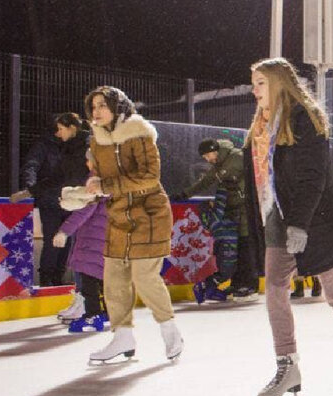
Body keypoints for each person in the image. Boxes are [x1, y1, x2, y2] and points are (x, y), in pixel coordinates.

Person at [244, 59, 333, 396]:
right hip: (276, 216)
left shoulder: (303, 119)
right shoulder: (260, 126)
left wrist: (300, 224)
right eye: (254, 83)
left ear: (278, 83)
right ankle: (287, 365)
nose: (254, 90)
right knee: (275, 289)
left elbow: (313, 176)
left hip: (314, 218)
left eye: (261, 82)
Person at [83, 87, 184, 364]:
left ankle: (169, 330)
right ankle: (123, 337)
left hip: (148, 213)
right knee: (114, 279)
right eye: (93, 107)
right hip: (118, 214)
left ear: (118, 107)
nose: (96, 112)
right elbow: (101, 179)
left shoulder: (138, 133)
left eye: (102, 105)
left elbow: (150, 177)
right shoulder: (97, 141)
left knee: (144, 277)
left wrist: (107, 186)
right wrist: (88, 190)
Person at [173, 137, 257, 303]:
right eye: (205, 158)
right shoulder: (219, 166)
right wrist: (184, 194)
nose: (208, 160)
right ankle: (238, 283)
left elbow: (254, 175)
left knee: (247, 246)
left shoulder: (237, 157)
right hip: (235, 211)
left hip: (247, 209)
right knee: (238, 248)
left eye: (208, 156)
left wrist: (243, 188)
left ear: (215, 150)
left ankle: (248, 285)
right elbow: (205, 182)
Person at [11, 112, 90, 286]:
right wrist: (31, 190)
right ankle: (48, 278)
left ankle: (60, 278)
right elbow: (36, 167)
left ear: (71, 128)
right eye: (57, 129)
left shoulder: (80, 146)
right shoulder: (47, 146)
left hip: (73, 201)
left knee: (67, 240)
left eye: (61, 128)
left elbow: (64, 175)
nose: (58, 132)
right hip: (51, 200)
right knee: (53, 239)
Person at [53, 155, 108, 332]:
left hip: (92, 238)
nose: (86, 163)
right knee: (105, 278)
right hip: (106, 236)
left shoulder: (95, 180)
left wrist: (64, 231)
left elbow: (85, 209)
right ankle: (110, 312)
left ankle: (93, 315)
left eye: (88, 159)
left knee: (88, 277)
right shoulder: (113, 178)